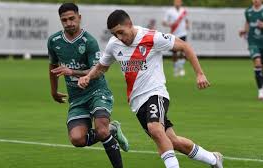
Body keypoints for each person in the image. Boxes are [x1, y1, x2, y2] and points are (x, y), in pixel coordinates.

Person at [78, 10, 223, 168]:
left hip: (156, 93)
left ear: (129, 25)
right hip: (137, 102)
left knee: (155, 129)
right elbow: (101, 67)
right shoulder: (114, 45)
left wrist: (200, 74)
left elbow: (185, 46)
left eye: (121, 32)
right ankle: (214, 159)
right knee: (172, 141)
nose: (119, 37)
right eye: (115, 34)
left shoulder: (151, 37)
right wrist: (88, 76)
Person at [47, 3, 129, 168]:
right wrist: (54, 91)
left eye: (72, 18)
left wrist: (73, 72)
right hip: (77, 97)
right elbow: (53, 67)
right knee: (77, 139)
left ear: (79, 17)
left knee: (101, 130)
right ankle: (113, 129)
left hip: (97, 91)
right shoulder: (54, 41)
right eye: (64, 20)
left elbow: (96, 71)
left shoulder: (89, 41)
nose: (69, 23)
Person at [162, 0, 189, 77]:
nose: (177, 3)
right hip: (174, 34)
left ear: (181, 3)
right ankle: (175, 69)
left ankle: (181, 68)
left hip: (183, 33)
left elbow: (186, 20)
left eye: (179, 2)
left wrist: (187, 25)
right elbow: (164, 22)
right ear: (174, 3)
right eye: (176, 2)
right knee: (174, 52)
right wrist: (170, 24)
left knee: (182, 51)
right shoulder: (169, 11)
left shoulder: (183, 11)